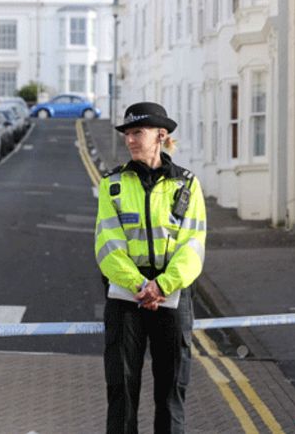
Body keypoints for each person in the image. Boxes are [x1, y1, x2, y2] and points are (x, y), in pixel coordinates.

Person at [95, 102, 206, 433]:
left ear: (161, 135)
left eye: (137, 133)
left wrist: (162, 286)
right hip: (126, 296)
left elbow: (193, 245)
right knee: (122, 391)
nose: (130, 140)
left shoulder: (187, 184)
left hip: (171, 295)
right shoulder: (111, 184)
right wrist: (139, 285)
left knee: (171, 393)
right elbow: (108, 245)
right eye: (127, 133)